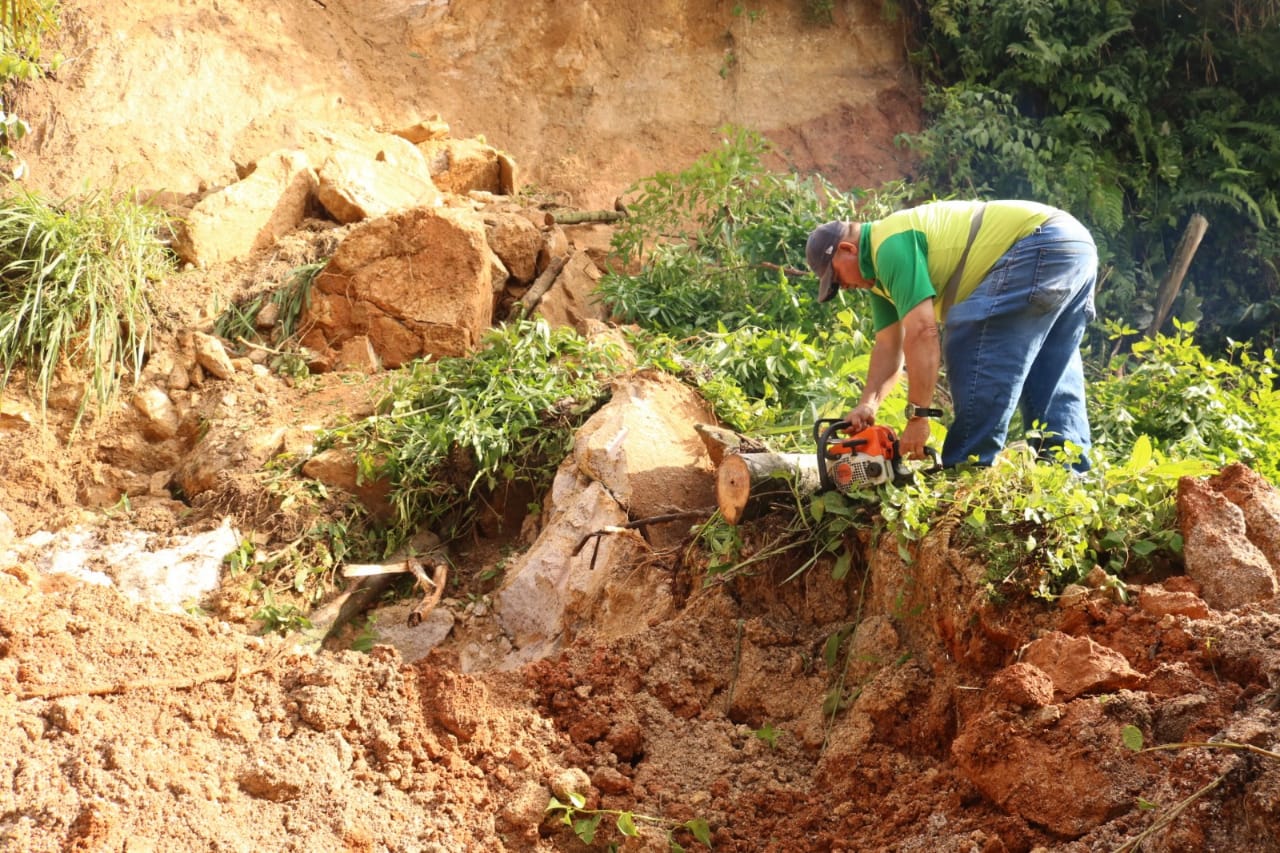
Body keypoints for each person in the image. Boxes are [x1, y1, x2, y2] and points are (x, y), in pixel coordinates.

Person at [805, 199, 1097, 471]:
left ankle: (969, 470)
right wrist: (868, 404)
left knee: (970, 336)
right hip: (1074, 245)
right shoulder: (878, 277)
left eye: (836, 277)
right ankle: (1069, 472)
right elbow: (889, 345)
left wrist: (919, 418)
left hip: (1040, 242)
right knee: (1050, 368)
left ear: (847, 249)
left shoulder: (889, 246)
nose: (841, 287)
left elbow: (922, 332)